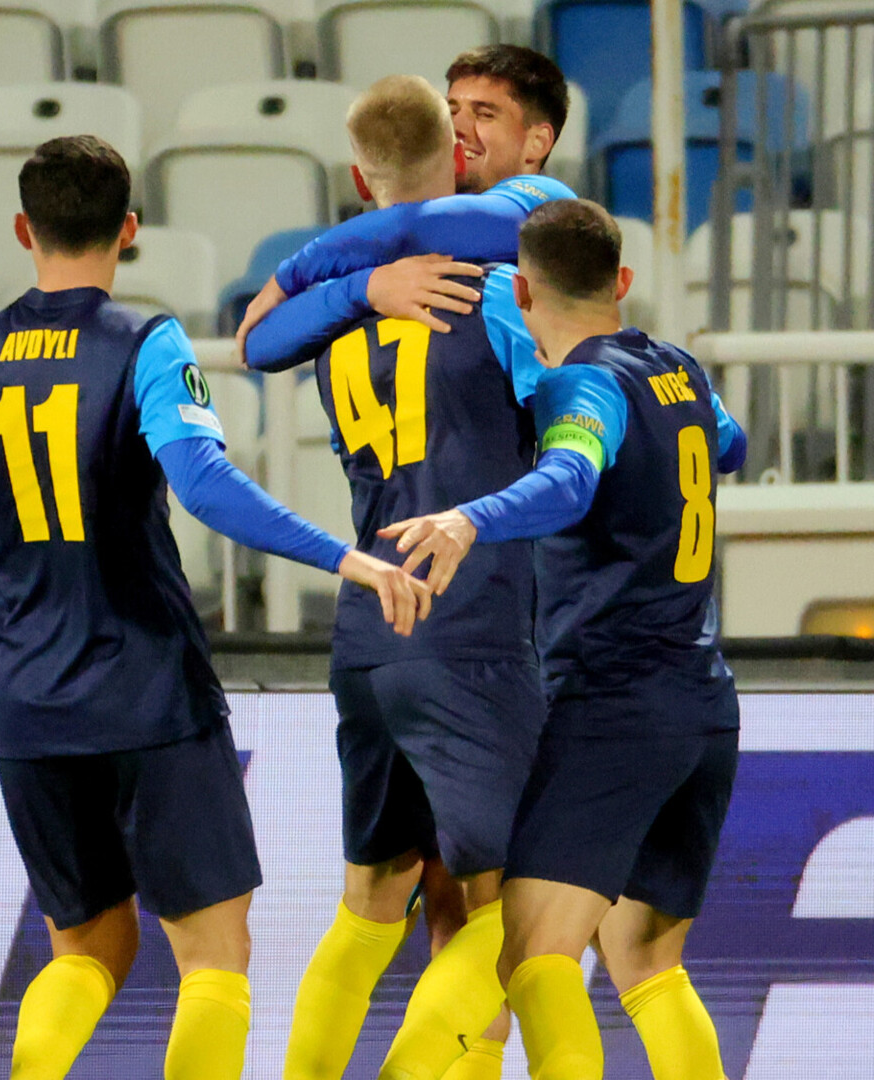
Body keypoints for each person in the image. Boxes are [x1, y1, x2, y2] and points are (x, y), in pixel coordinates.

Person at [0, 134, 431, 1080]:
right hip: (148, 689)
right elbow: (202, 484)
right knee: (214, 956)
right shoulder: (144, 342)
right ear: (128, 230)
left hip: (28, 701)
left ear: (23, 230)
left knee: (88, 950)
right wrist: (341, 556)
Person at [379, 199, 746, 1080]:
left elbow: (572, 476)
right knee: (646, 960)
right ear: (623, 281)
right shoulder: (679, 369)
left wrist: (469, 517)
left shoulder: (583, 387)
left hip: (616, 706)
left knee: (531, 955)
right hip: (703, 706)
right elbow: (727, 445)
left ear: (521, 292)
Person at [241, 77, 548, 1080]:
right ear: (458, 158)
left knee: (372, 904)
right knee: (521, 908)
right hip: (472, 622)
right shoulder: (493, 289)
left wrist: (353, 286)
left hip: (370, 623)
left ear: (355, 177)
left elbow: (253, 338)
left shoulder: (328, 319)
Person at [236, 44, 576, 353]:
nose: (457, 127)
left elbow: (415, 225)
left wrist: (293, 272)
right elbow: (259, 345)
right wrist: (363, 289)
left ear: (537, 143)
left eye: (484, 114)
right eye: (451, 111)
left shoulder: (552, 208)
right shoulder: (378, 256)